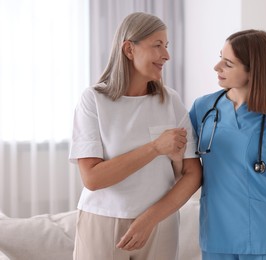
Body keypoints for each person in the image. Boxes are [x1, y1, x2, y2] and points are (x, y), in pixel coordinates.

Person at [69, 12, 202, 260]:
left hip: (159, 224)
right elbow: (92, 178)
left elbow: (193, 174)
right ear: (129, 49)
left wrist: (150, 219)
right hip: (102, 220)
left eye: (167, 46)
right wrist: (155, 148)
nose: (167, 55)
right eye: (157, 45)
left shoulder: (170, 101)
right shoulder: (93, 100)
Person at [189, 29, 266, 260]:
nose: (216, 67)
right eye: (220, 57)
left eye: (228, 63)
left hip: (264, 237)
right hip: (216, 235)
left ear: (252, 71)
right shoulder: (203, 108)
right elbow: (184, 168)